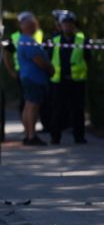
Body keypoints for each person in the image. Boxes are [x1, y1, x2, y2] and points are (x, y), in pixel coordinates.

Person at [48, 10, 88, 144]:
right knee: (57, 110)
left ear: (74, 25)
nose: (67, 26)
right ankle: (55, 137)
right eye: (65, 24)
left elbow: (88, 58)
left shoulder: (82, 39)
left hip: (77, 80)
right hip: (58, 81)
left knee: (78, 110)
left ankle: (79, 137)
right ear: (60, 25)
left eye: (70, 23)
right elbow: (48, 58)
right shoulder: (54, 40)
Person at [15, 12, 54, 146]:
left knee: (28, 105)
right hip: (34, 78)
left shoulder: (23, 40)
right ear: (27, 26)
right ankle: (31, 136)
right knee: (32, 106)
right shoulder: (28, 41)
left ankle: (29, 134)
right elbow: (38, 60)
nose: (36, 26)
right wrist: (49, 68)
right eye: (33, 24)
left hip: (28, 77)